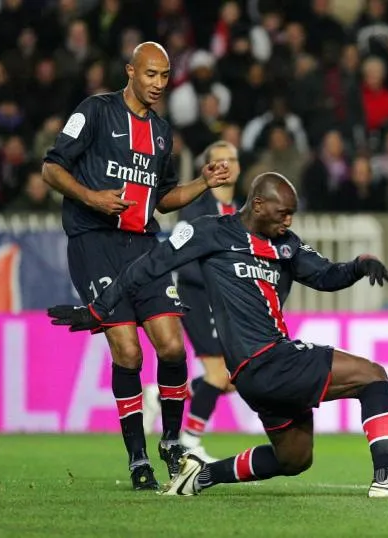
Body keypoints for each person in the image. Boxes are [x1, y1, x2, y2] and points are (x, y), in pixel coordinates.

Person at [48, 173, 388, 500]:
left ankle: (199, 477)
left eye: (291, 214)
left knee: (294, 460)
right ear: (257, 205)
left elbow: (324, 275)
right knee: (373, 376)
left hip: (257, 373)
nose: (288, 221)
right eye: (282, 213)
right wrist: (100, 308)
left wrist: (358, 265)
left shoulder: (285, 244)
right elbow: (148, 266)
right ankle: (387, 478)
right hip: (266, 358)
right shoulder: (210, 233)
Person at [42, 41, 232, 490]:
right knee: (127, 351)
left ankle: (170, 441)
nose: (158, 84)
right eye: (150, 74)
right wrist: (91, 198)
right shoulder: (94, 111)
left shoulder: (163, 132)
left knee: (170, 347)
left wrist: (202, 183)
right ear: (130, 71)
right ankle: (136, 458)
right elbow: (51, 169)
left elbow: (162, 199)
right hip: (94, 244)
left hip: (144, 246)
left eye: (165, 76)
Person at [142, 141, 242, 461]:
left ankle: (163, 394)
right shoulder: (197, 208)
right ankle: (189, 441)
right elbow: (182, 258)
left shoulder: (240, 211)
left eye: (231, 159)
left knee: (233, 378)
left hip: (226, 302)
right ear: (208, 168)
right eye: (218, 161)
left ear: (239, 167)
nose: (226, 165)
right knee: (218, 375)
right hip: (197, 296)